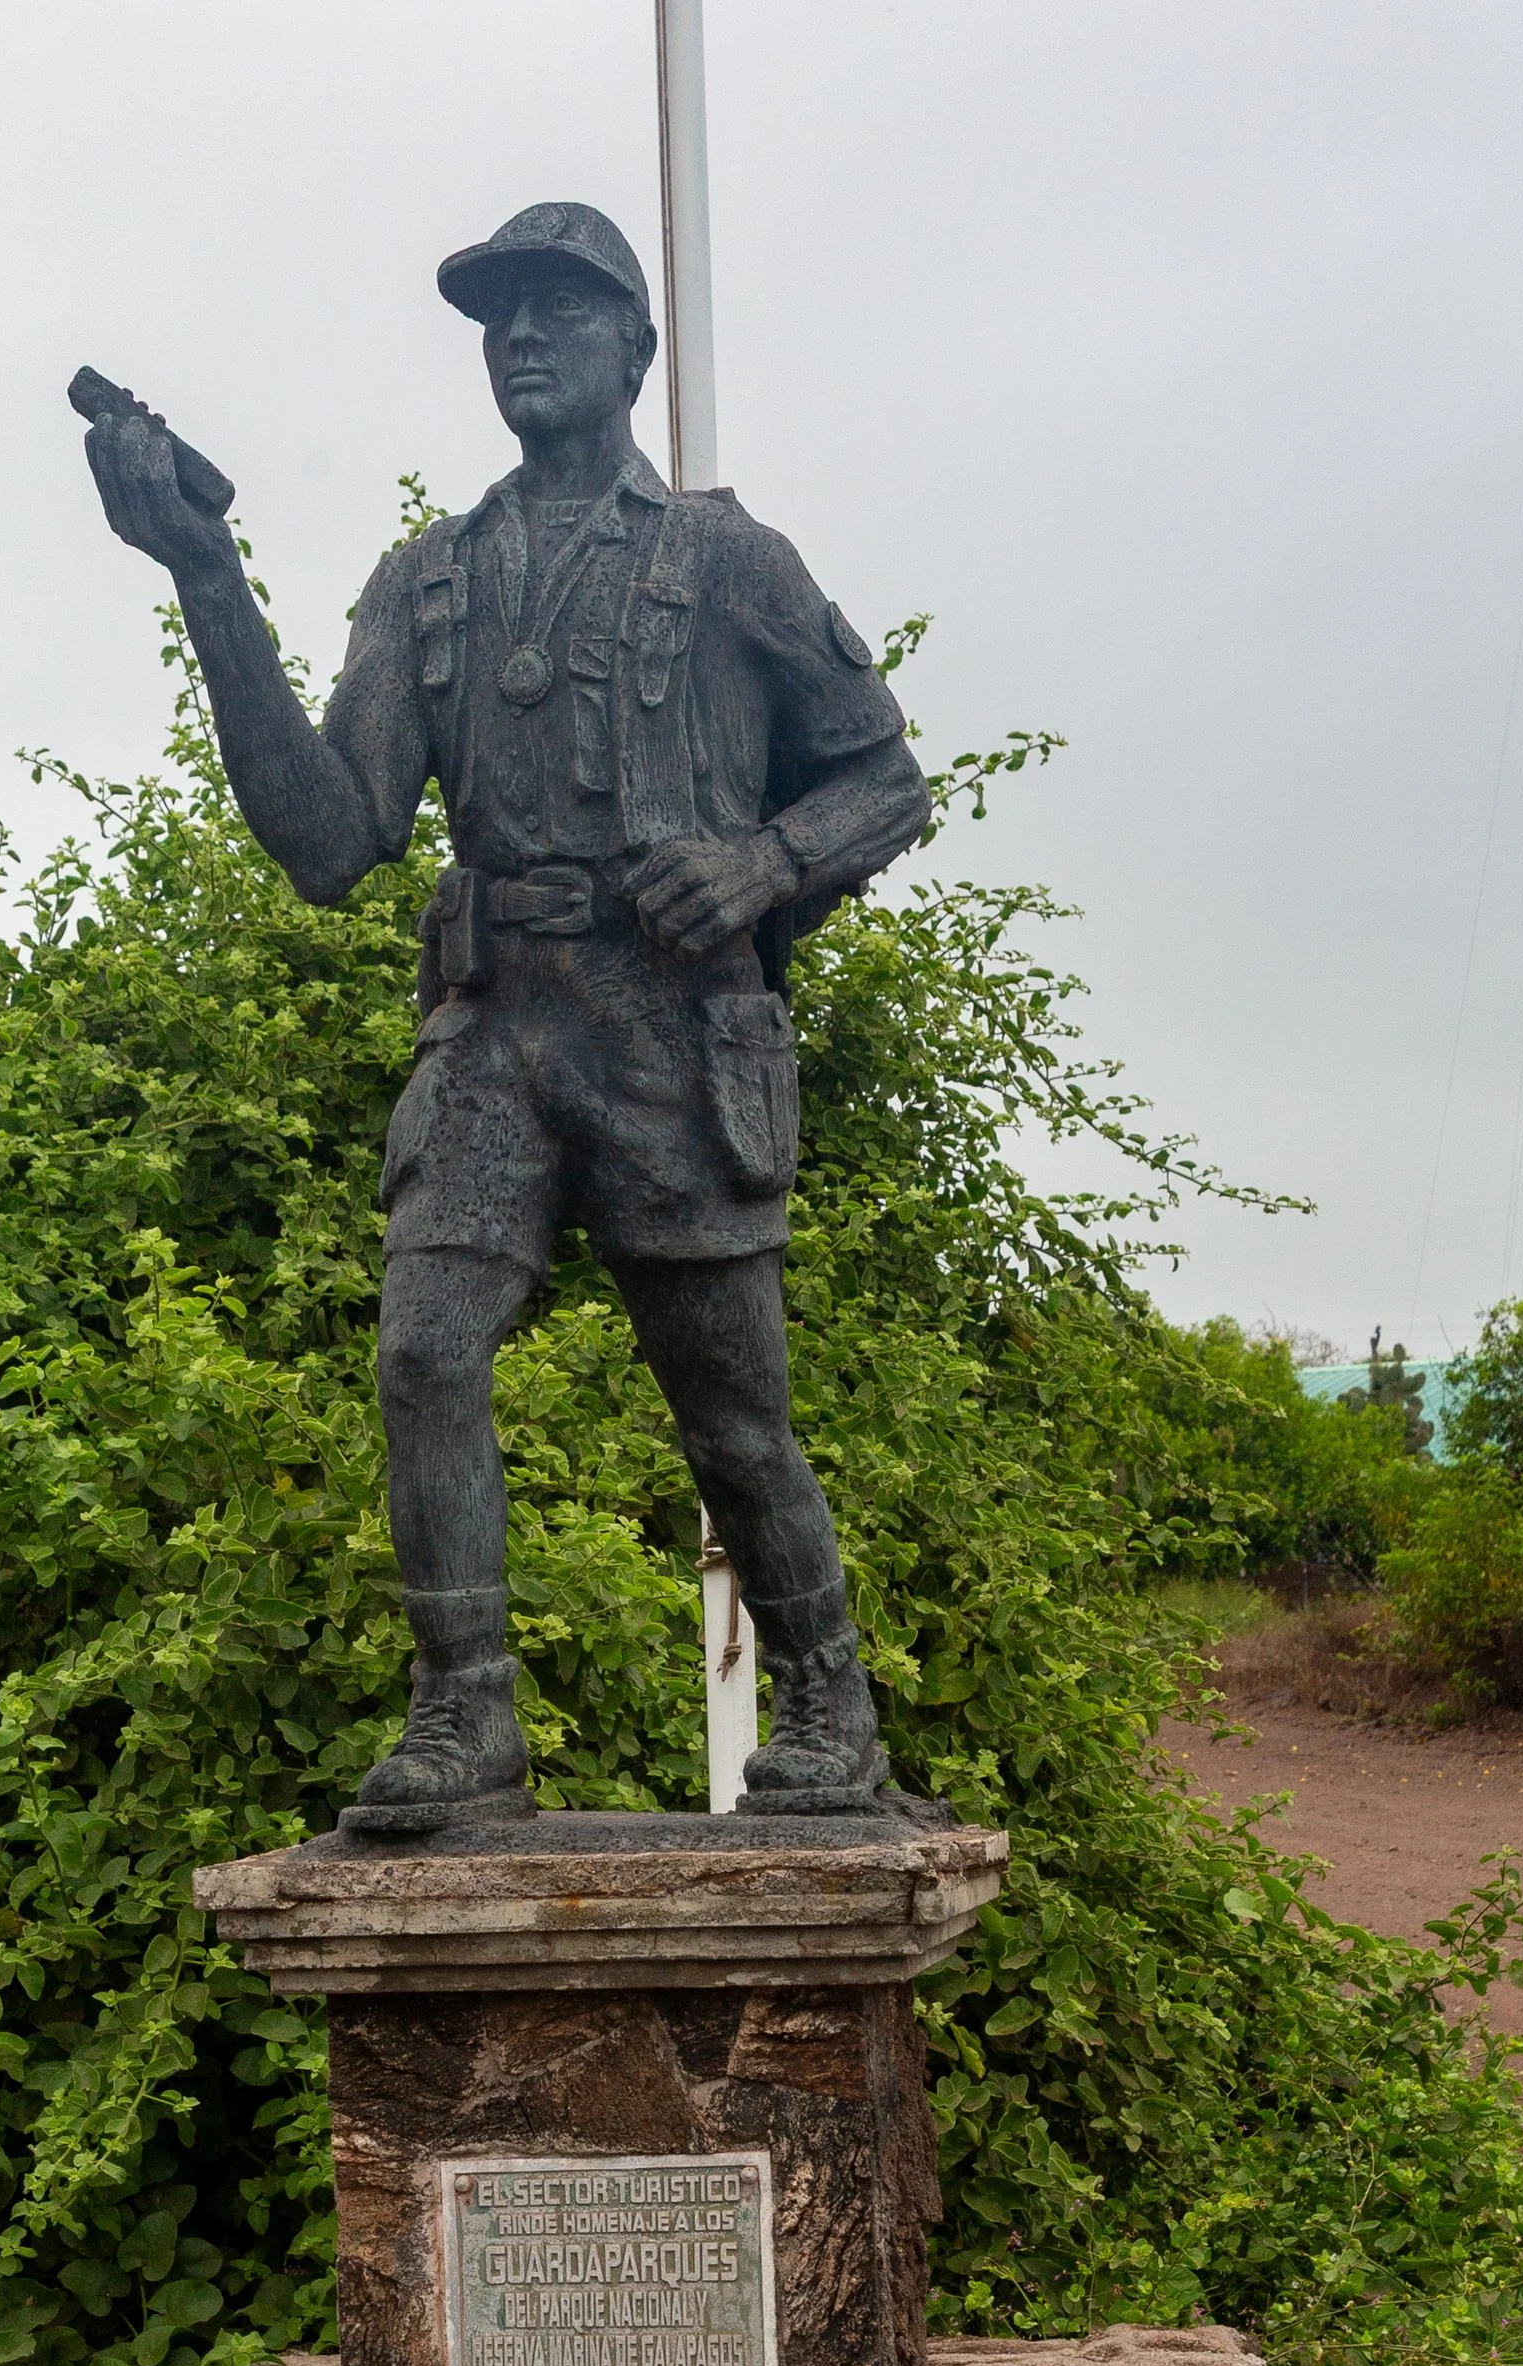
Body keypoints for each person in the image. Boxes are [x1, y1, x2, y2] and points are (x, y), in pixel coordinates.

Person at [78, 201, 932, 1827]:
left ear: (632, 345)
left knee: (735, 1418)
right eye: (497, 316)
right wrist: (207, 578)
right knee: (421, 1347)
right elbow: (334, 840)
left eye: (557, 308)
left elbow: (889, 777)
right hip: (498, 1030)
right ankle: (466, 1714)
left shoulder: (730, 560)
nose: (521, 337)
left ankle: (831, 1700)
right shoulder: (434, 580)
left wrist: (760, 862)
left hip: (672, 1031)